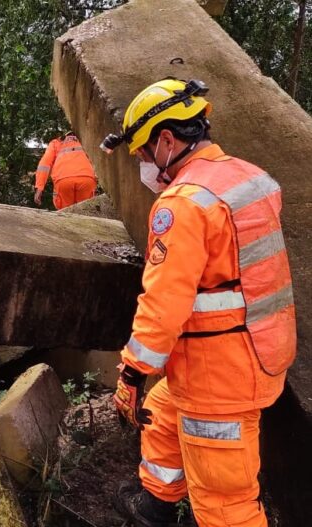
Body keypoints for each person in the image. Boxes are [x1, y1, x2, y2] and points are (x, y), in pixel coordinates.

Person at [100, 78, 296, 527]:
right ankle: (158, 502)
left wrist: (131, 373)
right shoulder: (251, 178)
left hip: (221, 375)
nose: (145, 166)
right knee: (164, 411)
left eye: (144, 154)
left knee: (225, 502)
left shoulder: (184, 205)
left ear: (167, 139)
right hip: (252, 350)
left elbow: (163, 302)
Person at [33, 132, 97, 209]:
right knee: (86, 212)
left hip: (63, 180)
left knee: (65, 213)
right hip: (86, 179)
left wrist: (39, 187)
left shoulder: (55, 143)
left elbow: (44, 164)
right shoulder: (85, 142)